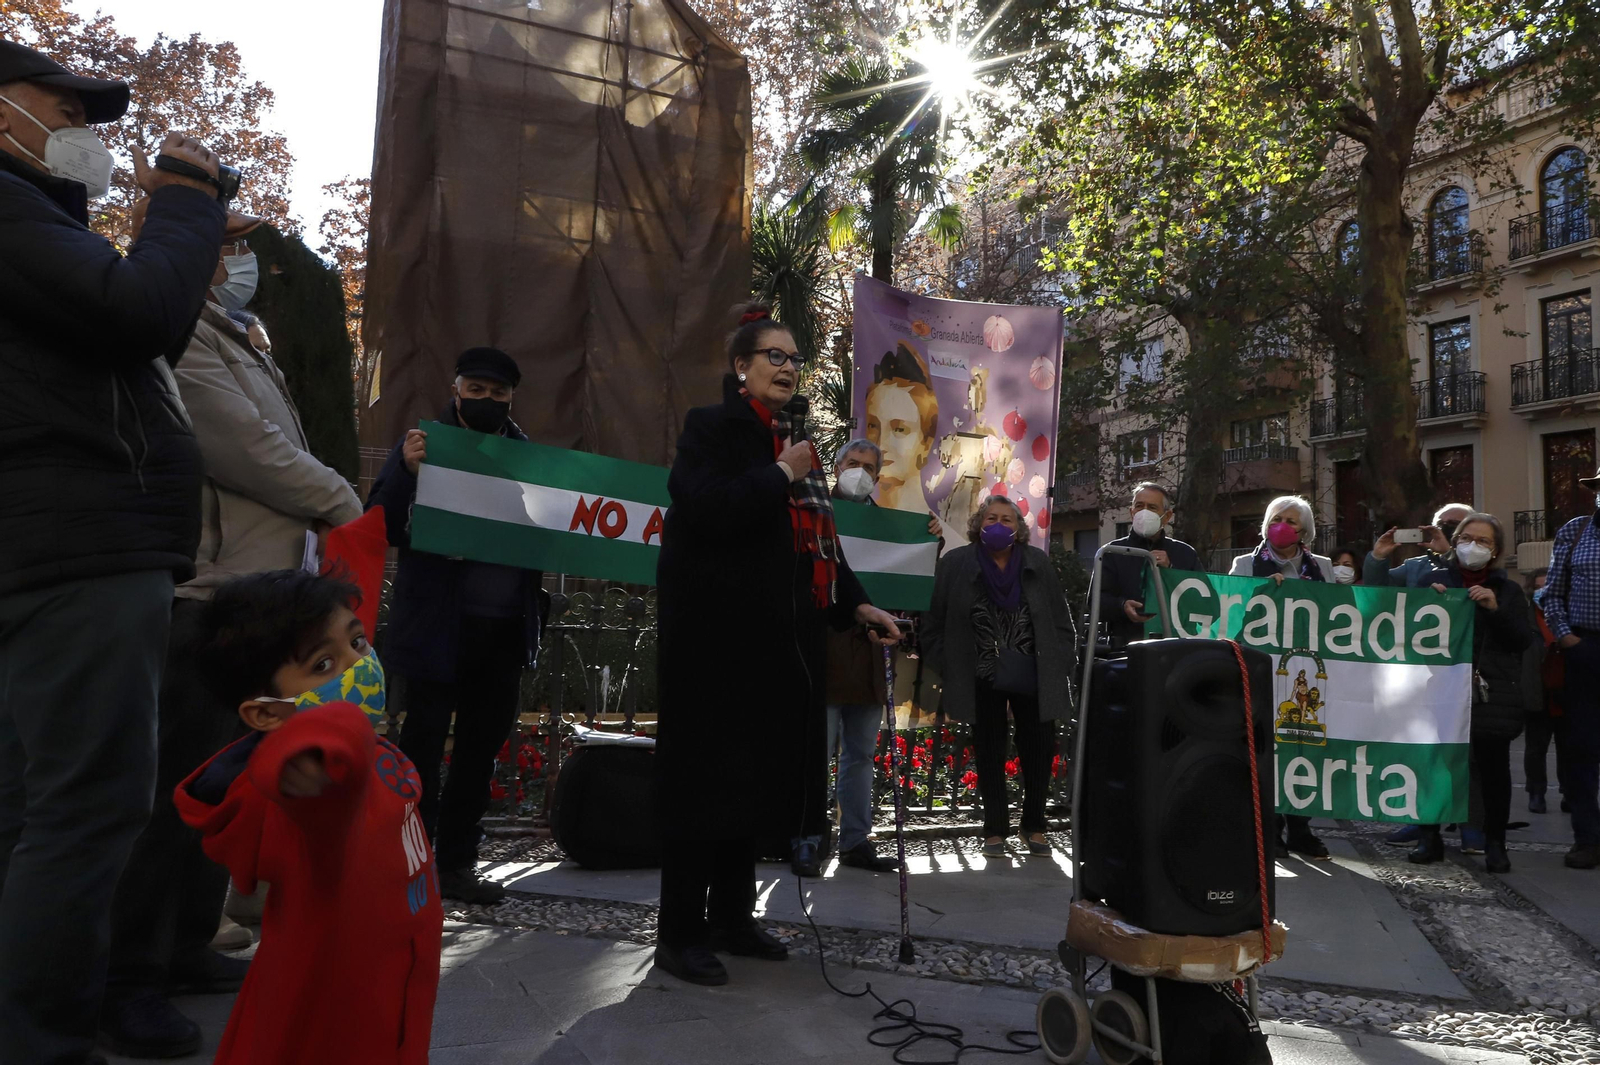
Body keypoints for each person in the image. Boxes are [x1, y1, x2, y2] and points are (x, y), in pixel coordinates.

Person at [0, 41, 229, 1065]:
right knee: (87, 815)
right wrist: (184, 201)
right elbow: (139, 312)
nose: (87, 133)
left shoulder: (36, 226)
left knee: (37, 813)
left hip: (61, 548)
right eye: (67, 108)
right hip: (76, 553)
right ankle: (43, 1040)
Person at [97, 206, 366, 1057]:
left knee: (225, 784)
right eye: (228, 245)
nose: (241, 259)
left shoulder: (240, 332)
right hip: (209, 592)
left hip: (263, 592)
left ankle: (183, 945)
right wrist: (340, 497)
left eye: (245, 245)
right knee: (175, 787)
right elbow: (242, 445)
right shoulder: (183, 330)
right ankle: (127, 978)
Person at [652, 305, 902, 987]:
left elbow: (820, 544)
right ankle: (678, 933)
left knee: (748, 785)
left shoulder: (795, 443)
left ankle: (733, 917)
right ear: (741, 367)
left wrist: (858, 604)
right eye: (775, 355)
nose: (789, 366)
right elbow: (706, 508)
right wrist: (782, 474)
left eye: (795, 357)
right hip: (713, 644)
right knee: (703, 787)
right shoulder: (714, 428)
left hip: (777, 643)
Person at [175, 570, 440, 1064]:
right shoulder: (313, 781)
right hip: (337, 1014)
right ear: (266, 715)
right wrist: (304, 757)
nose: (360, 665)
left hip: (399, 982)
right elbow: (311, 789)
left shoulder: (374, 750)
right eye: (324, 663)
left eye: (358, 641)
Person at [368, 347, 544, 904]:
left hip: (501, 632)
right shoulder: (421, 445)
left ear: (511, 398)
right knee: (420, 746)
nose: (487, 400)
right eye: (477, 390)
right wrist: (408, 472)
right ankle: (407, 861)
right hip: (438, 628)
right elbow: (383, 523)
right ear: (457, 387)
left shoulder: (527, 456)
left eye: (498, 394)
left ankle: (458, 864)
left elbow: (550, 528)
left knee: (477, 751)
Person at [923, 495, 1075, 859]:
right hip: (979, 673)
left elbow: (1059, 619)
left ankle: (1034, 827)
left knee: (1038, 749)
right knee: (989, 748)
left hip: (1034, 670)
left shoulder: (1037, 562)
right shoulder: (956, 563)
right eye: (991, 517)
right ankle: (995, 831)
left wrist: (1061, 660)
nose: (999, 524)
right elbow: (934, 622)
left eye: (1008, 519)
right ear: (978, 524)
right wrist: (949, 664)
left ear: (1019, 529)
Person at [1409, 514, 1532, 873]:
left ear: (1495, 551)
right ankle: (1428, 837)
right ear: (1456, 540)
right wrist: (1428, 606)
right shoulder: (1434, 581)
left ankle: (1495, 842)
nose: (1472, 546)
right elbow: (1408, 635)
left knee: (1493, 771)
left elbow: (1522, 640)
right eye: (1467, 538)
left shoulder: (1507, 591)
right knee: (1434, 765)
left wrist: (1493, 609)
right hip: (1440, 691)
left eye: (1483, 541)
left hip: (1490, 695)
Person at [820, 439, 913, 874]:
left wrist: (925, 536)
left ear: (877, 475)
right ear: (837, 467)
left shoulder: (889, 526)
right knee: (815, 753)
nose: (859, 471)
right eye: (851, 463)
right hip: (822, 651)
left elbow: (905, 588)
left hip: (870, 657)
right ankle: (808, 837)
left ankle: (855, 841)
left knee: (860, 755)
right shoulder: (815, 512)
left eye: (867, 466)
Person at [1230, 495, 1334, 860]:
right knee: (1265, 749)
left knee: (1303, 747)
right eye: (1277, 518)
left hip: (1306, 674)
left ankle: (1302, 829)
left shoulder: (1322, 566)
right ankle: (1269, 829)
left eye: (1292, 520)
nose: (1283, 525)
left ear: (1304, 530)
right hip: (1260, 671)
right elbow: (1230, 616)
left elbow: (1338, 616)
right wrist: (1257, 593)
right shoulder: (1245, 564)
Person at [1537, 468, 1600, 870]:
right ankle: (1587, 838)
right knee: (1580, 750)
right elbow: (1552, 593)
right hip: (1584, 648)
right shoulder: (1575, 532)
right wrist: (1566, 639)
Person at [1097, 482, 1199, 646]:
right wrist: (1122, 606)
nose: (1144, 512)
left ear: (1166, 516)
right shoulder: (1111, 552)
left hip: (1175, 647)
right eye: (1139, 506)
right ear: (1131, 512)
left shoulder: (1185, 554)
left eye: (1152, 507)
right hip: (1125, 648)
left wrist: (1171, 572)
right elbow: (1096, 601)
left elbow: (1204, 603)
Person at [864, 340, 938, 515]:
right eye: (873, 426)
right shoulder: (846, 524)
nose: (881, 444)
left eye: (899, 429)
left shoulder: (941, 537)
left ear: (926, 442)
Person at [1523, 568, 1568, 815]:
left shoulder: (1569, 613)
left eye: (1548, 586)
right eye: (1539, 587)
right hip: (1537, 690)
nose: (1544, 591)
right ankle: (1536, 793)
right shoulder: (1524, 616)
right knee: (1535, 748)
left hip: (1565, 690)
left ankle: (1569, 793)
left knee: (1569, 747)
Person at [1364, 503, 1473, 586]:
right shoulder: (1414, 567)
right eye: (1440, 524)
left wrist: (1447, 554)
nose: (1444, 527)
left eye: (1453, 524)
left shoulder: (1479, 562)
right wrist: (1377, 557)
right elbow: (1377, 588)